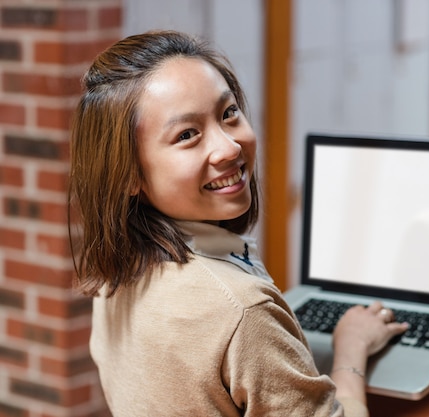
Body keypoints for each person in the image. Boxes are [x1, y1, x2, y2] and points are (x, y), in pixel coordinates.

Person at [68, 30, 408, 417]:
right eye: (187, 135)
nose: (230, 147)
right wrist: (351, 350)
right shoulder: (241, 311)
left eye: (228, 113)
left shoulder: (115, 271)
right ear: (128, 174)